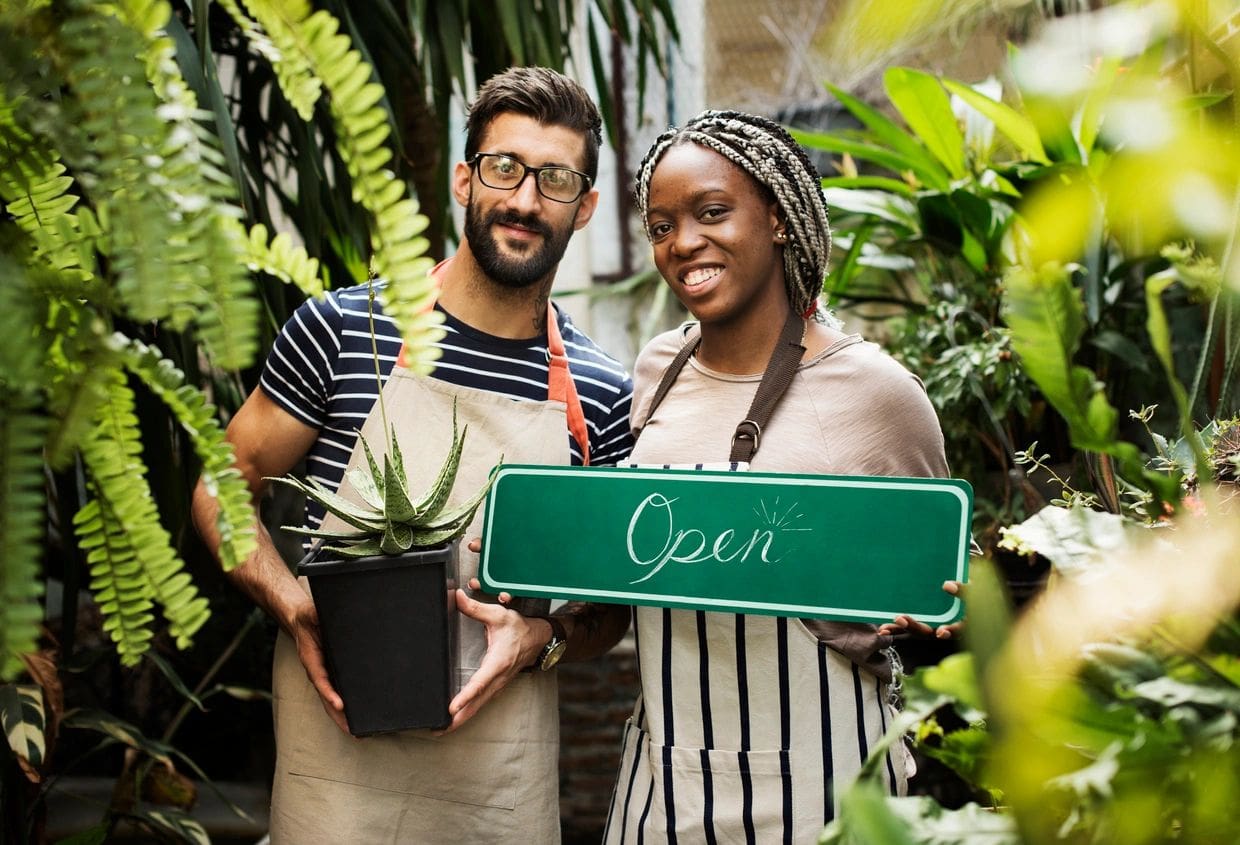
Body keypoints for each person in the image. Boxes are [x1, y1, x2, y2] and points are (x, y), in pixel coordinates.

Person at [191, 67, 635, 843]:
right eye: (504, 168)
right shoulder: (344, 329)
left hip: (498, 787)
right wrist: (291, 602)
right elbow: (219, 480)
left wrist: (542, 639)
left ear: (586, 206)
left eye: (555, 179)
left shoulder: (599, 394)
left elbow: (608, 610)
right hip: (337, 770)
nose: (525, 200)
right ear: (465, 179)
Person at [596, 110, 952, 842]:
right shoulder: (656, 371)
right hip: (664, 785)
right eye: (661, 226)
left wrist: (921, 621)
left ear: (781, 220)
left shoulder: (876, 391)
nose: (683, 242)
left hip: (829, 785)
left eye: (712, 212)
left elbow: (943, 591)